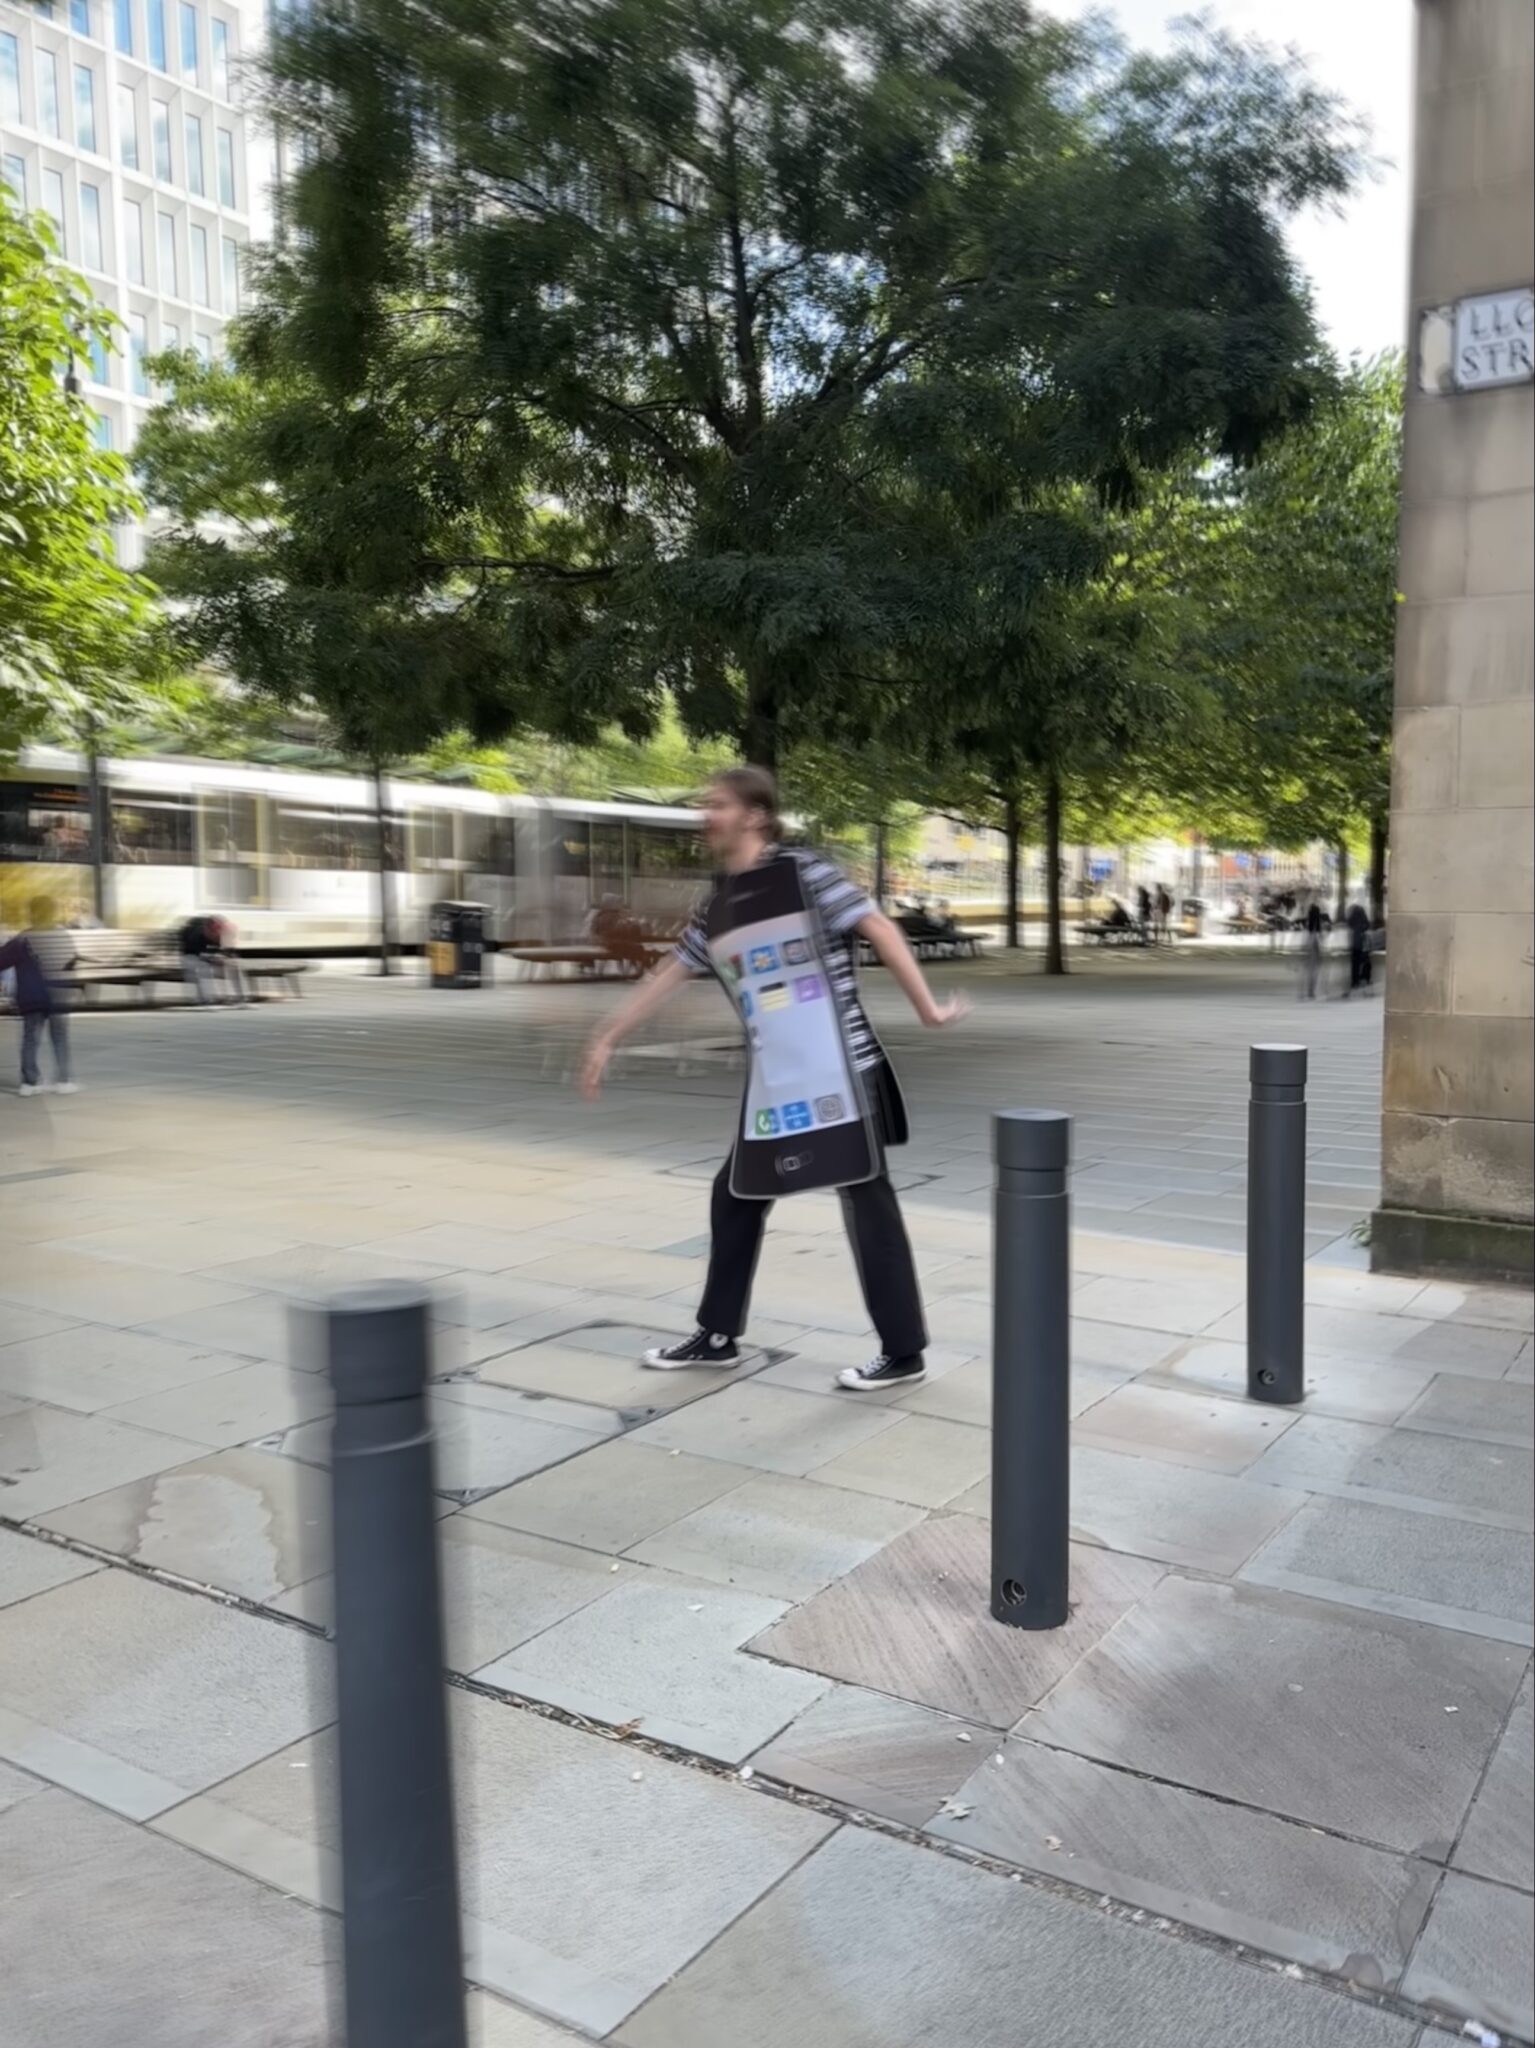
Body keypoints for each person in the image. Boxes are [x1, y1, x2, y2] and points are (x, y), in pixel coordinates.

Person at [580, 766, 967, 1392]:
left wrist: (927, 1008)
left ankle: (903, 1353)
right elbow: (671, 972)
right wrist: (608, 1035)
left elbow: (877, 926)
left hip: (842, 1072)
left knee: (867, 1202)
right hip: (777, 1083)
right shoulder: (720, 903)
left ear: (755, 816)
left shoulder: (804, 875)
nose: (706, 815)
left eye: (717, 804)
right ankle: (717, 1337)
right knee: (735, 1195)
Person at [0, 897, 78, 1095]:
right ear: (54, 913)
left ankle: (30, 1083)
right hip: (59, 996)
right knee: (60, 1038)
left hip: (32, 997)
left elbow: (1, 960)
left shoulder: (23, 939)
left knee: (30, 1039)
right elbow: (71, 962)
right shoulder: (63, 936)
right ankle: (63, 1081)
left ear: (32, 914)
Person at [1344, 900, 1373, 996]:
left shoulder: (1353, 916)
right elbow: (1367, 925)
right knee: (1363, 961)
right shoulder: (1362, 916)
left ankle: (1354, 982)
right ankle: (1364, 978)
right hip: (1361, 942)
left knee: (1354, 963)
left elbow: (1349, 923)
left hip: (1354, 943)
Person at [1301, 897, 1327, 1000]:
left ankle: (1310, 991)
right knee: (1314, 971)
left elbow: (1306, 942)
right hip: (1315, 952)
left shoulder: (1309, 928)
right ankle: (1311, 991)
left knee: (1309, 971)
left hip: (1310, 951)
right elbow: (1320, 943)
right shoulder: (1317, 930)